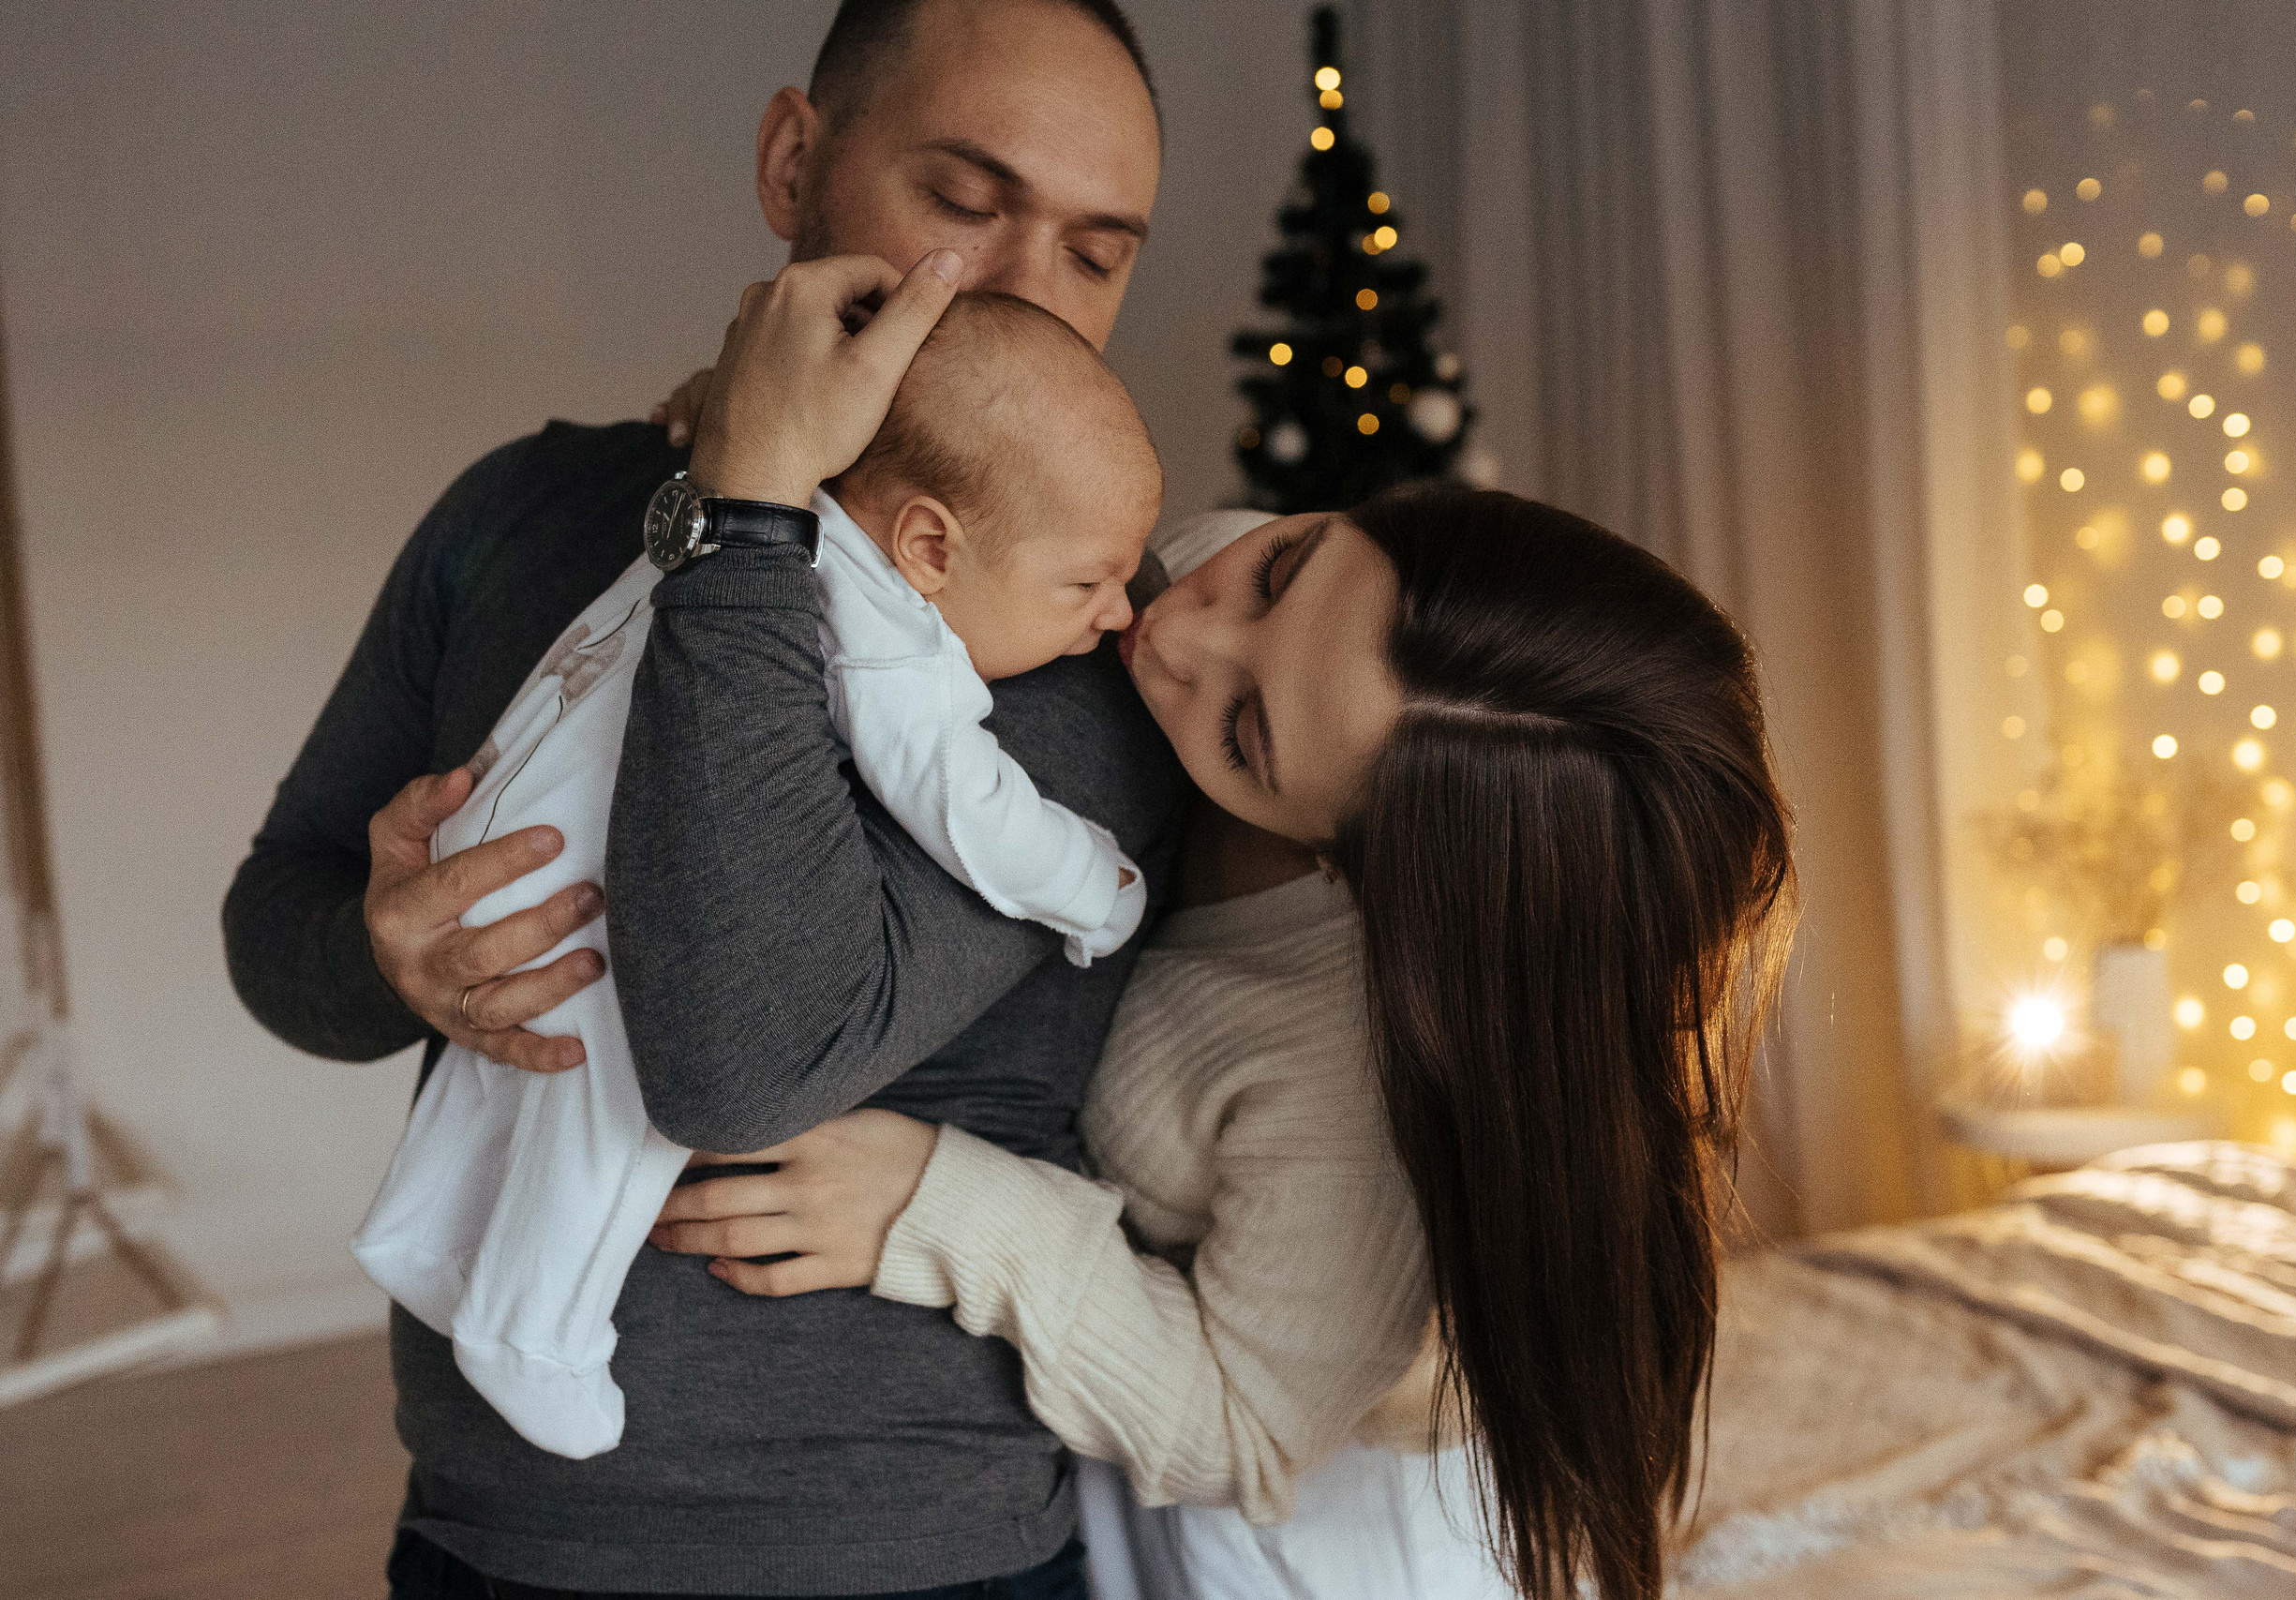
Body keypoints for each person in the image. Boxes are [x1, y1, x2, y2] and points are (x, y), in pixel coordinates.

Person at [628, 271, 1797, 1600]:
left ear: (1351, 862)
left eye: (1245, 733)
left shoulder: (1351, 1079)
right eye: (1284, 564)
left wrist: (940, 1201)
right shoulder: (1230, 589)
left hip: (1294, 1533)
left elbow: (1243, 1423)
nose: (1172, 622)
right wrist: (776, 463)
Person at [221, 1, 1179, 1593]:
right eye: (964, 199)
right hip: (501, 1528)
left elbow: (744, 1060)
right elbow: (280, 929)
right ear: (795, 158)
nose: (1021, 292)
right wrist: (382, 952)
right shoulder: (520, 512)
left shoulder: (1089, 622)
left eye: (1097, 250)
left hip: (917, 1549)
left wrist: (748, 512)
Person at [349, 291, 1159, 1462]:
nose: (1118, 613)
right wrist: (1097, 886)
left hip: (500, 821)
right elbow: (962, 799)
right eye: (1085, 584)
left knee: (500, 1080)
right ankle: (535, 1325)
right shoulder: (883, 620)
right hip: (585, 880)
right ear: (932, 545)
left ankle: (422, 1234)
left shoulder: (722, 518)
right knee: (613, 1106)